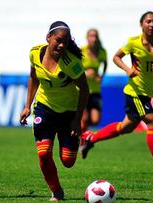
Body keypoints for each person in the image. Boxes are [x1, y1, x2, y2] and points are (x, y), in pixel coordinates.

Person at [80, 11, 153, 175]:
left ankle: (90, 138)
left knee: (125, 127)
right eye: (148, 21)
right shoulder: (133, 42)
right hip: (134, 92)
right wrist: (128, 69)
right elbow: (116, 57)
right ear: (141, 24)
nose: (151, 24)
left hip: (146, 92)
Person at [19, 21, 89, 201]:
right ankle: (56, 191)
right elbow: (34, 77)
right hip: (44, 109)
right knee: (43, 153)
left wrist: (77, 119)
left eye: (65, 42)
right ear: (48, 37)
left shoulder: (72, 63)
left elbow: (85, 89)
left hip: (68, 114)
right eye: (58, 40)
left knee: (68, 161)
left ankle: (78, 141)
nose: (61, 45)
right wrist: (28, 106)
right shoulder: (35, 52)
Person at [80, 28, 107, 132]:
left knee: (95, 120)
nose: (94, 38)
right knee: (84, 119)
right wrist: (85, 73)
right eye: (91, 36)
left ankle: (83, 130)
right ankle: (82, 139)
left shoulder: (102, 51)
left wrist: (101, 75)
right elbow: (74, 67)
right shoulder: (81, 51)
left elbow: (105, 63)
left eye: (95, 36)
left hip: (95, 90)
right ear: (87, 38)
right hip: (82, 89)